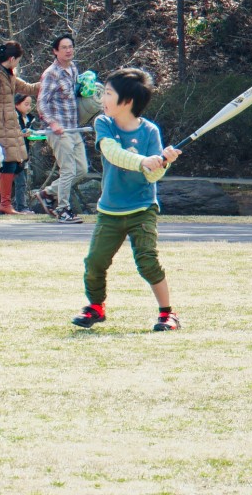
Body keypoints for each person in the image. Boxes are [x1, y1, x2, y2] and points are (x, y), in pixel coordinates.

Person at [72, 67, 182, 332]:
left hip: (142, 209)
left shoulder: (150, 132)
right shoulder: (104, 124)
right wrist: (144, 160)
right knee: (95, 262)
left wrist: (163, 162)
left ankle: (168, 314)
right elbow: (112, 153)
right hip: (109, 210)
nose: (103, 99)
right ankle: (96, 307)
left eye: (108, 93)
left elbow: (153, 177)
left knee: (147, 261)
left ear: (128, 101)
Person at [0, 41, 39, 214]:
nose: (17, 64)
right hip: (0, 124)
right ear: (12, 59)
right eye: (18, 60)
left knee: (18, 163)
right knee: (10, 163)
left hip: (10, 124)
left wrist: (48, 83)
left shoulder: (7, 74)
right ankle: (5, 203)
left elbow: (28, 88)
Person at [34, 35, 89, 223]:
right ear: (55, 51)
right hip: (58, 130)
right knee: (68, 170)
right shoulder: (51, 73)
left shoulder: (73, 68)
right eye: (64, 47)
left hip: (74, 128)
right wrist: (52, 123)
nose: (68, 50)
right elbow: (41, 103)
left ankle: (48, 193)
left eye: (70, 46)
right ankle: (63, 209)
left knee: (82, 169)